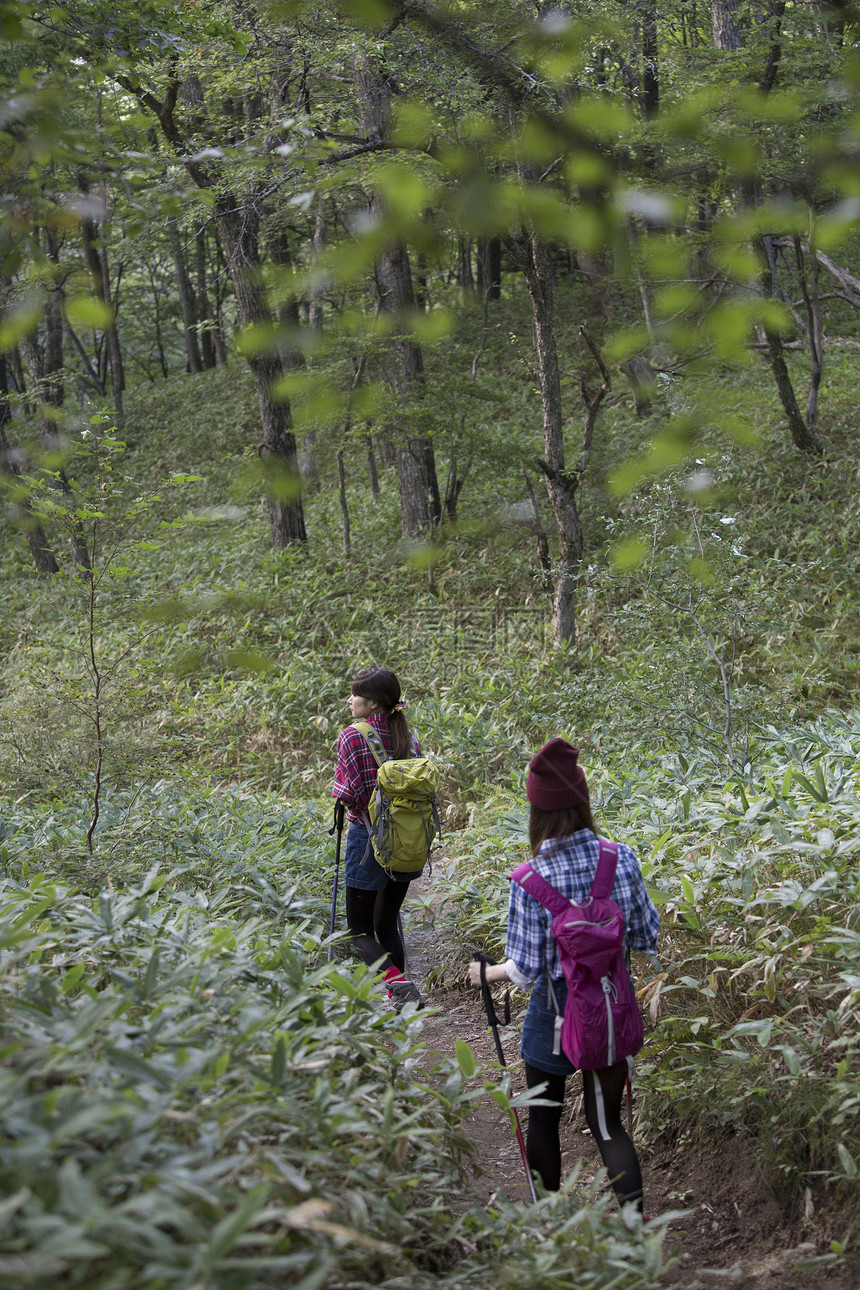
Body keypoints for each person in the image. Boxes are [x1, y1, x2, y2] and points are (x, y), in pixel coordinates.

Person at [467, 738, 659, 1208]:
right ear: (583, 799)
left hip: (553, 1016)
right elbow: (645, 936)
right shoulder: (621, 858)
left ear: (536, 810)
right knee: (607, 1123)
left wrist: (486, 974)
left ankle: (551, 1230)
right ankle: (636, 1228)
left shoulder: (529, 879)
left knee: (544, 1120)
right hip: (610, 1010)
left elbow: (526, 969)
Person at [333, 666, 424, 1008]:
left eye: (355, 694)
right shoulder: (409, 739)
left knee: (358, 933)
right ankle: (401, 999)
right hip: (405, 841)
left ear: (372, 704)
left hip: (368, 842)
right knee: (386, 923)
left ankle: (400, 988)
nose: (350, 699)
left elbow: (347, 793)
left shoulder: (353, 735)